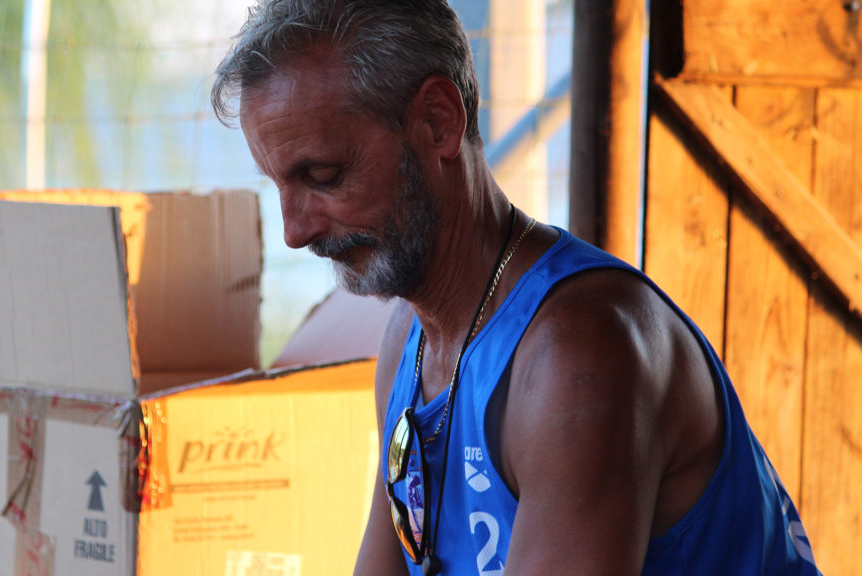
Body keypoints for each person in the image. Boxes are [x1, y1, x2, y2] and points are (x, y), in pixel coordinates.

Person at [211, 1, 823, 574]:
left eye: (322, 176)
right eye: (280, 186)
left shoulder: (576, 353)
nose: (295, 231)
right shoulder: (410, 339)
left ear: (438, 121)